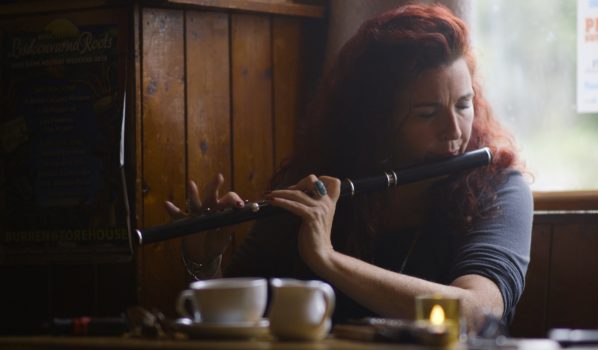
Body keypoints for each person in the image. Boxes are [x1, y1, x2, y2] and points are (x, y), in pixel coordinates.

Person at [166, 4, 533, 328]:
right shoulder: (321, 182)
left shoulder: (499, 186)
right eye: (426, 113)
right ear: (377, 118)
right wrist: (204, 260)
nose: (454, 131)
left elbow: (476, 313)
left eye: (463, 105)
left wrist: (328, 259)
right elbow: (243, 324)